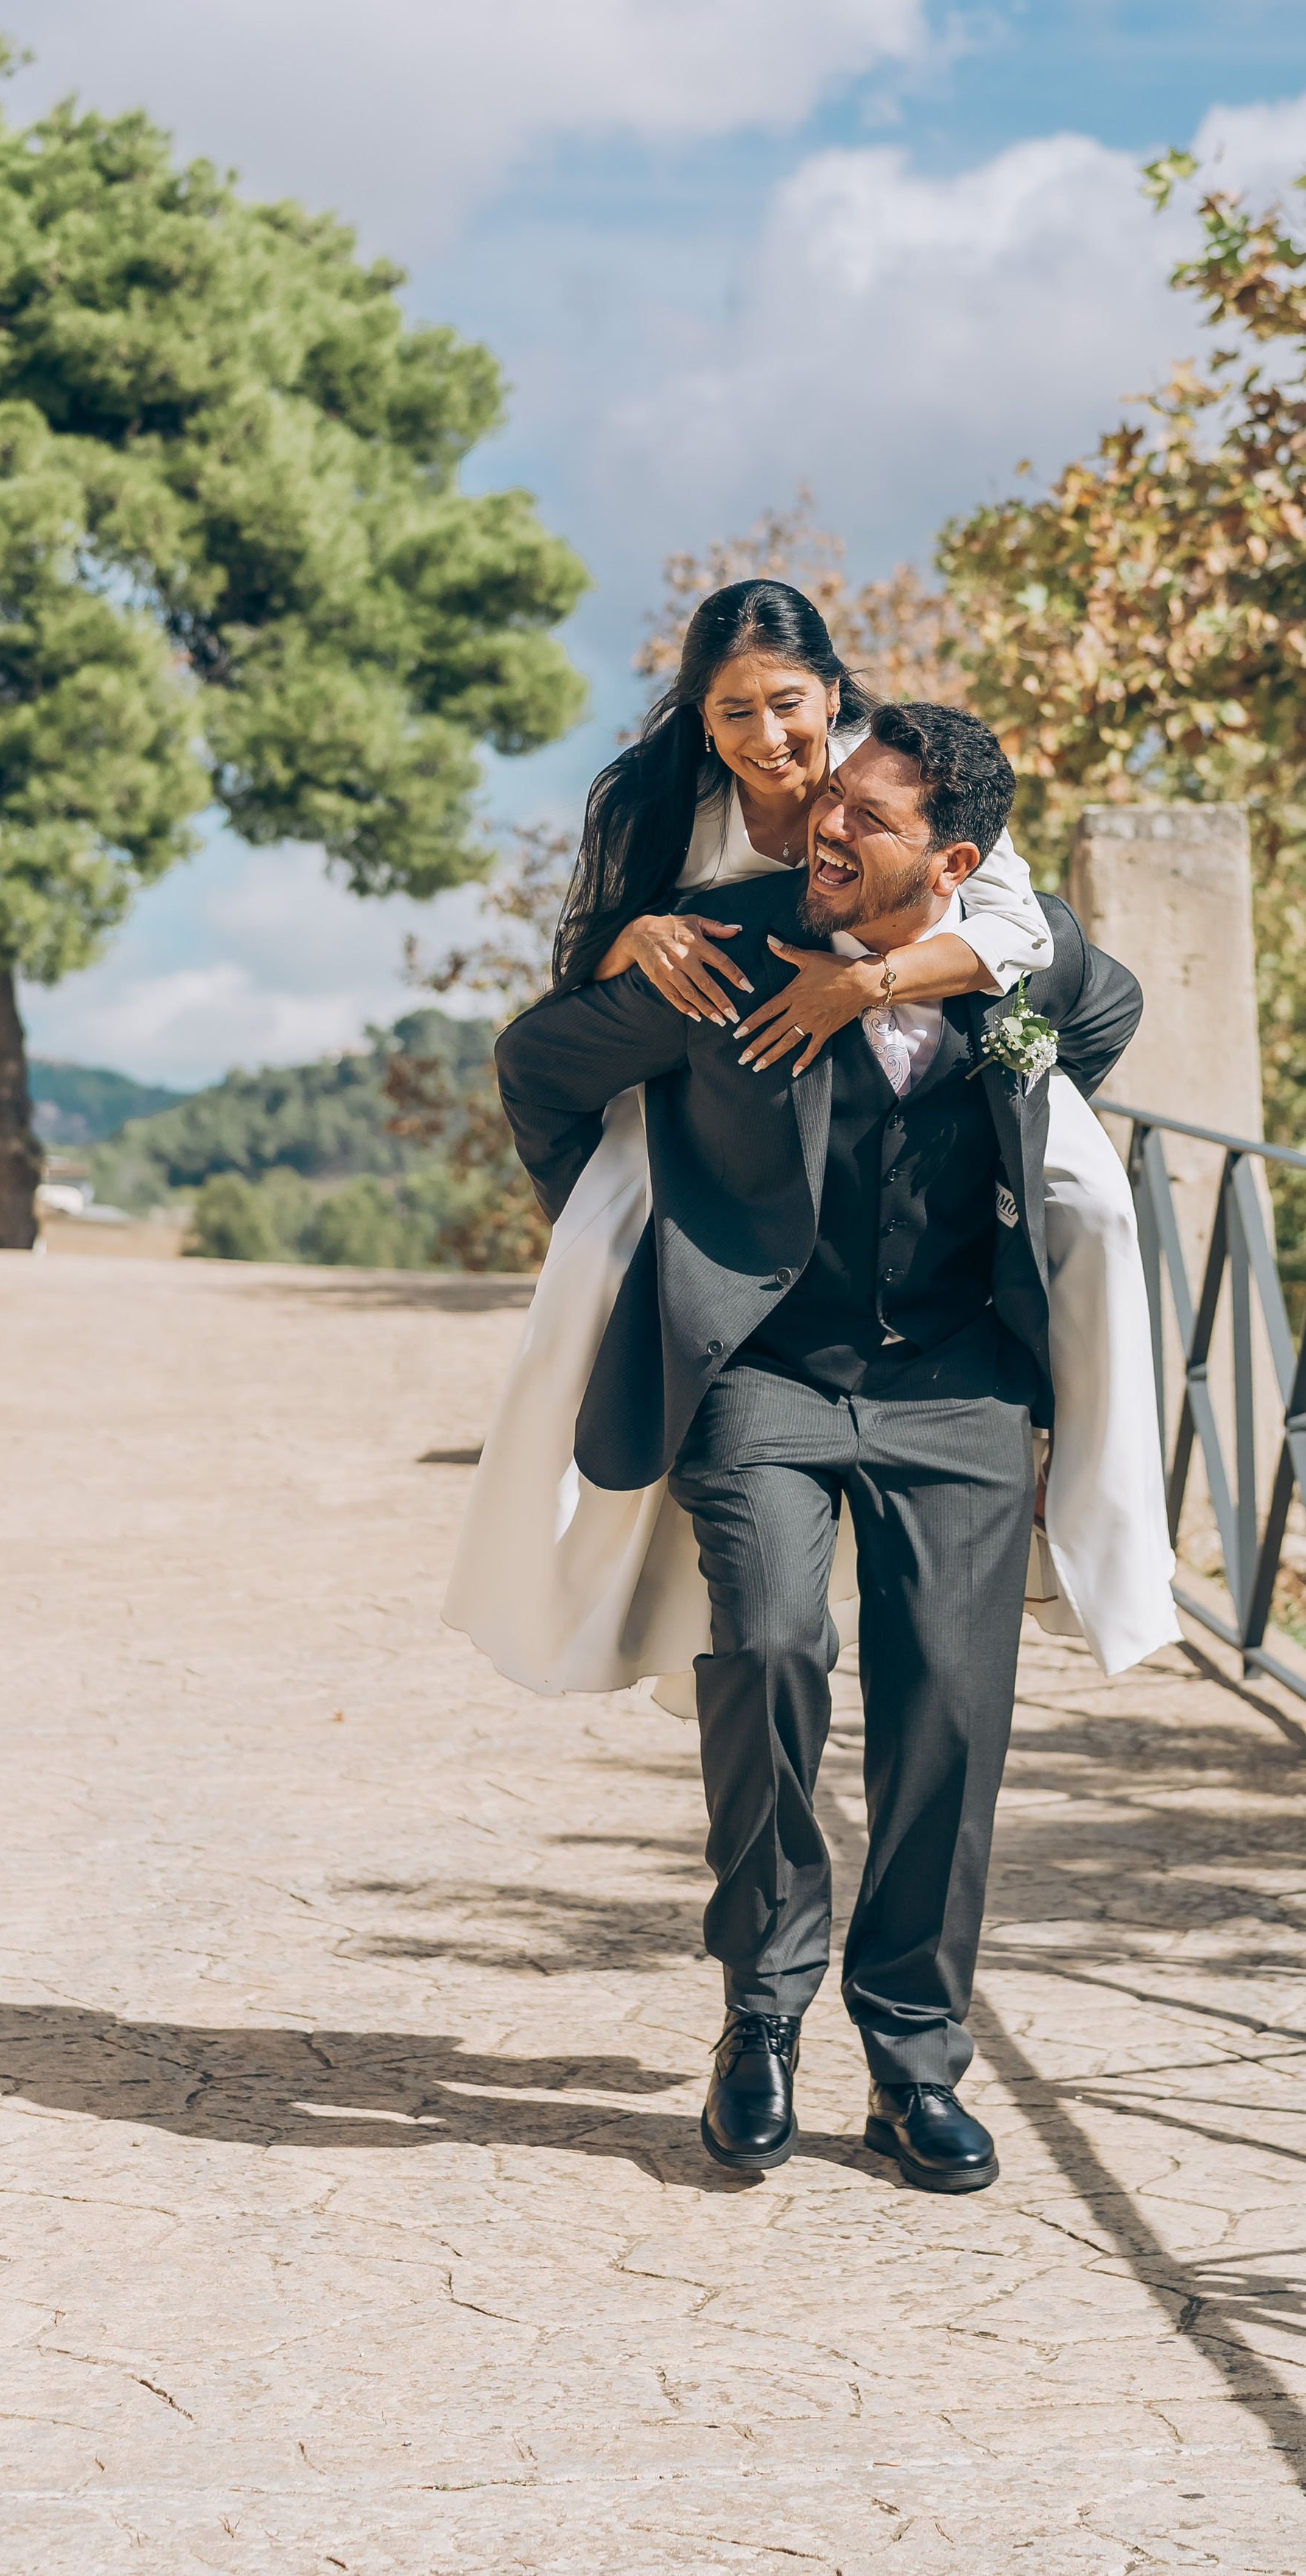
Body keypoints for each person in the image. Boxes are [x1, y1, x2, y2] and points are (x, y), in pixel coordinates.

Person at [493, 703, 1142, 2188]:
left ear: (955, 863)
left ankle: (913, 2061)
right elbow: (538, 1068)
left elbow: (1102, 1019)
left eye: (869, 816)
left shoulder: (1014, 965)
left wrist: (917, 991)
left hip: (960, 1385)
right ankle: (763, 2016)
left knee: (950, 1713)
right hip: (764, 1372)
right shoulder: (725, 945)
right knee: (772, 1647)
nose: (824, 827)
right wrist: (625, 1239)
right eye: (831, 794)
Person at [444, 581, 1176, 1713]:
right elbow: (576, 974)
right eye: (732, 711)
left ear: (833, 695)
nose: (767, 737)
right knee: (610, 1248)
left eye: (787, 703)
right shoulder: (652, 804)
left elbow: (1028, 937)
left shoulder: (901, 773)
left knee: (1087, 1199)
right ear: (698, 717)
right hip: (722, 1064)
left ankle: (1081, 1494)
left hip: (924, 1003)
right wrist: (638, 937)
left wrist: (872, 993)